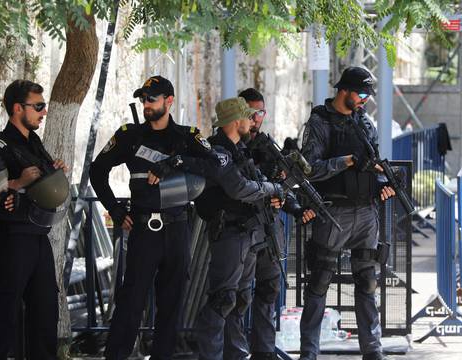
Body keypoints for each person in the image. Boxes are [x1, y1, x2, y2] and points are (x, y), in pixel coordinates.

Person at [90, 77, 284, 360]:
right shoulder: (129, 135)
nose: (146, 104)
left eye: (152, 99)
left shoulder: (187, 136)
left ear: (168, 101)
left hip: (177, 227)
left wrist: (176, 162)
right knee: (131, 302)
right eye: (143, 99)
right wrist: (116, 211)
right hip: (144, 229)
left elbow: (215, 164)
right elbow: (97, 170)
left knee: (172, 305)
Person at [298, 67, 396, 360]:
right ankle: (309, 353)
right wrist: (347, 161)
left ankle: (373, 350)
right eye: (361, 93)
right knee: (319, 283)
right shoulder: (320, 122)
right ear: (344, 90)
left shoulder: (365, 123)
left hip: (365, 211)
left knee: (367, 282)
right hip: (333, 212)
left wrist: (383, 185)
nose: (365, 100)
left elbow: (373, 166)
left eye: (368, 95)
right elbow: (309, 169)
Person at [193, 97, 285, 360]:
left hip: (247, 234)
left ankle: (236, 354)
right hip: (229, 234)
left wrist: (274, 192)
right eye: (248, 116)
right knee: (223, 299)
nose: (252, 120)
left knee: (239, 299)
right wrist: (271, 189)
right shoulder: (219, 152)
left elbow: (254, 182)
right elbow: (239, 188)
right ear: (235, 122)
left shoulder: (238, 149)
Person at [0, 80, 69, 359]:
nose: (43, 112)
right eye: (39, 106)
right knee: (2, 314)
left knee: (45, 312)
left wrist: (52, 171)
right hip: (12, 239)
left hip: (37, 237)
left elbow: (41, 186)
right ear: (18, 108)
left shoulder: (34, 143)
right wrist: (16, 182)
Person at [239, 88, 315, 360]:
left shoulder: (269, 148)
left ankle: (264, 350)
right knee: (235, 296)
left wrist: (294, 207)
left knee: (269, 291)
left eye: (259, 112)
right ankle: (234, 351)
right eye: (250, 112)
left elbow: (286, 190)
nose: (255, 118)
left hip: (269, 228)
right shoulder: (231, 145)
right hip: (242, 228)